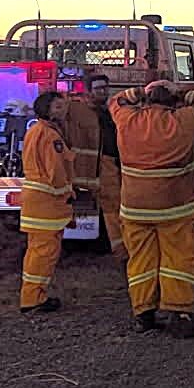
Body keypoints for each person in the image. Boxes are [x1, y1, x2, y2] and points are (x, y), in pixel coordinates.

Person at [110, 79, 194, 337]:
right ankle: (179, 313)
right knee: (178, 259)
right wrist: (185, 92)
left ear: (147, 100)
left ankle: (143, 313)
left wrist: (139, 91)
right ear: (173, 101)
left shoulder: (126, 120)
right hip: (176, 206)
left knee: (140, 261)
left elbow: (115, 101)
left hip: (135, 207)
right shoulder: (182, 120)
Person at [19, 91, 74, 313]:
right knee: (44, 253)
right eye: (58, 107)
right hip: (47, 203)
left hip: (35, 202)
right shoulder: (51, 136)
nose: (63, 110)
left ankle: (32, 295)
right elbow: (56, 171)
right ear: (47, 110)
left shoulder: (35, 131)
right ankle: (33, 300)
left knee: (36, 251)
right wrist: (67, 193)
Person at [63, 74, 125, 261]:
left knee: (113, 207)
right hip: (84, 169)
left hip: (107, 165)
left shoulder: (109, 112)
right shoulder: (76, 111)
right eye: (98, 88)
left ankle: (118, 249)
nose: (103, 91)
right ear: (88, 90)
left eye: (105, 88)